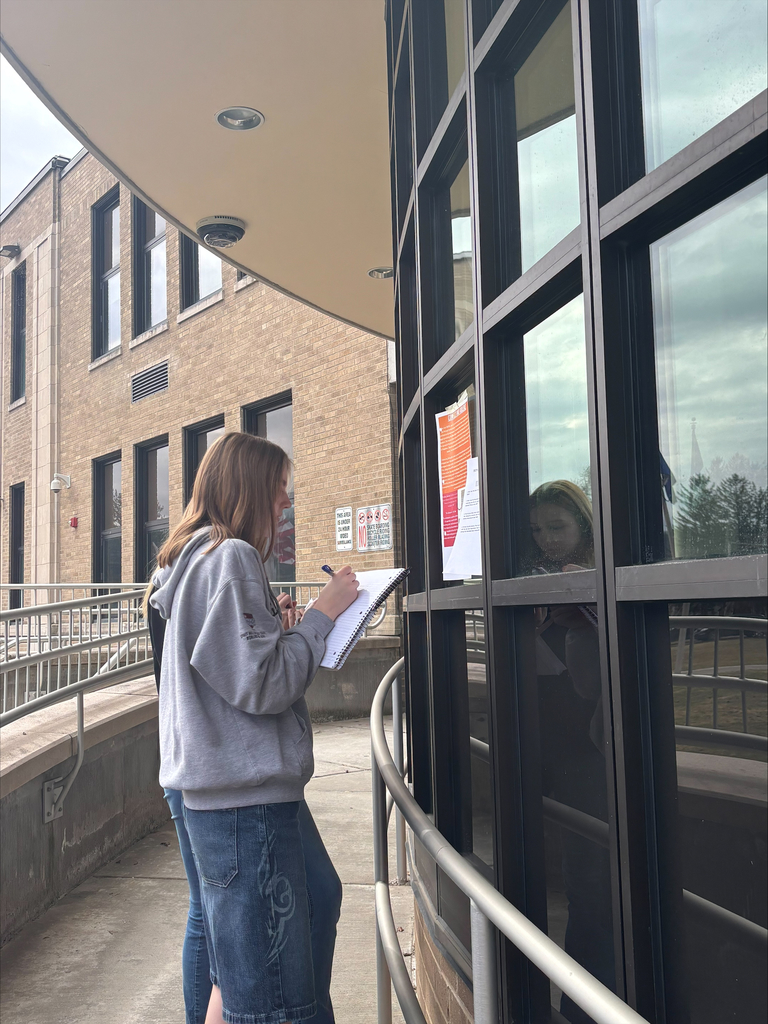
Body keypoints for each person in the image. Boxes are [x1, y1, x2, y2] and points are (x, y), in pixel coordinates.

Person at [147, 431, 359, 1024]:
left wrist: (279, 629)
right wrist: (323, 614)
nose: (285, 505)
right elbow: (263, 686)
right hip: (246, 803)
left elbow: (231, 664)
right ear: (250, 488)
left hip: (217, 792)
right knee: (271, 1002)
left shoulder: (191, 558)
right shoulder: (231, 557)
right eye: (279, 492)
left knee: (245, 959)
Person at [528, 480, 615, 1024]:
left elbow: (597, 683)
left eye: (557, 528)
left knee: (591, 882)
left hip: (593, 752)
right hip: (559, 749)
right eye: (538, 530)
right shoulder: (544, 585)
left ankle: (583, 1008)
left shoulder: (595, 584)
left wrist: (585, 623)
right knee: (580, 875)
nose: (547, 541)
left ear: (584, 524)